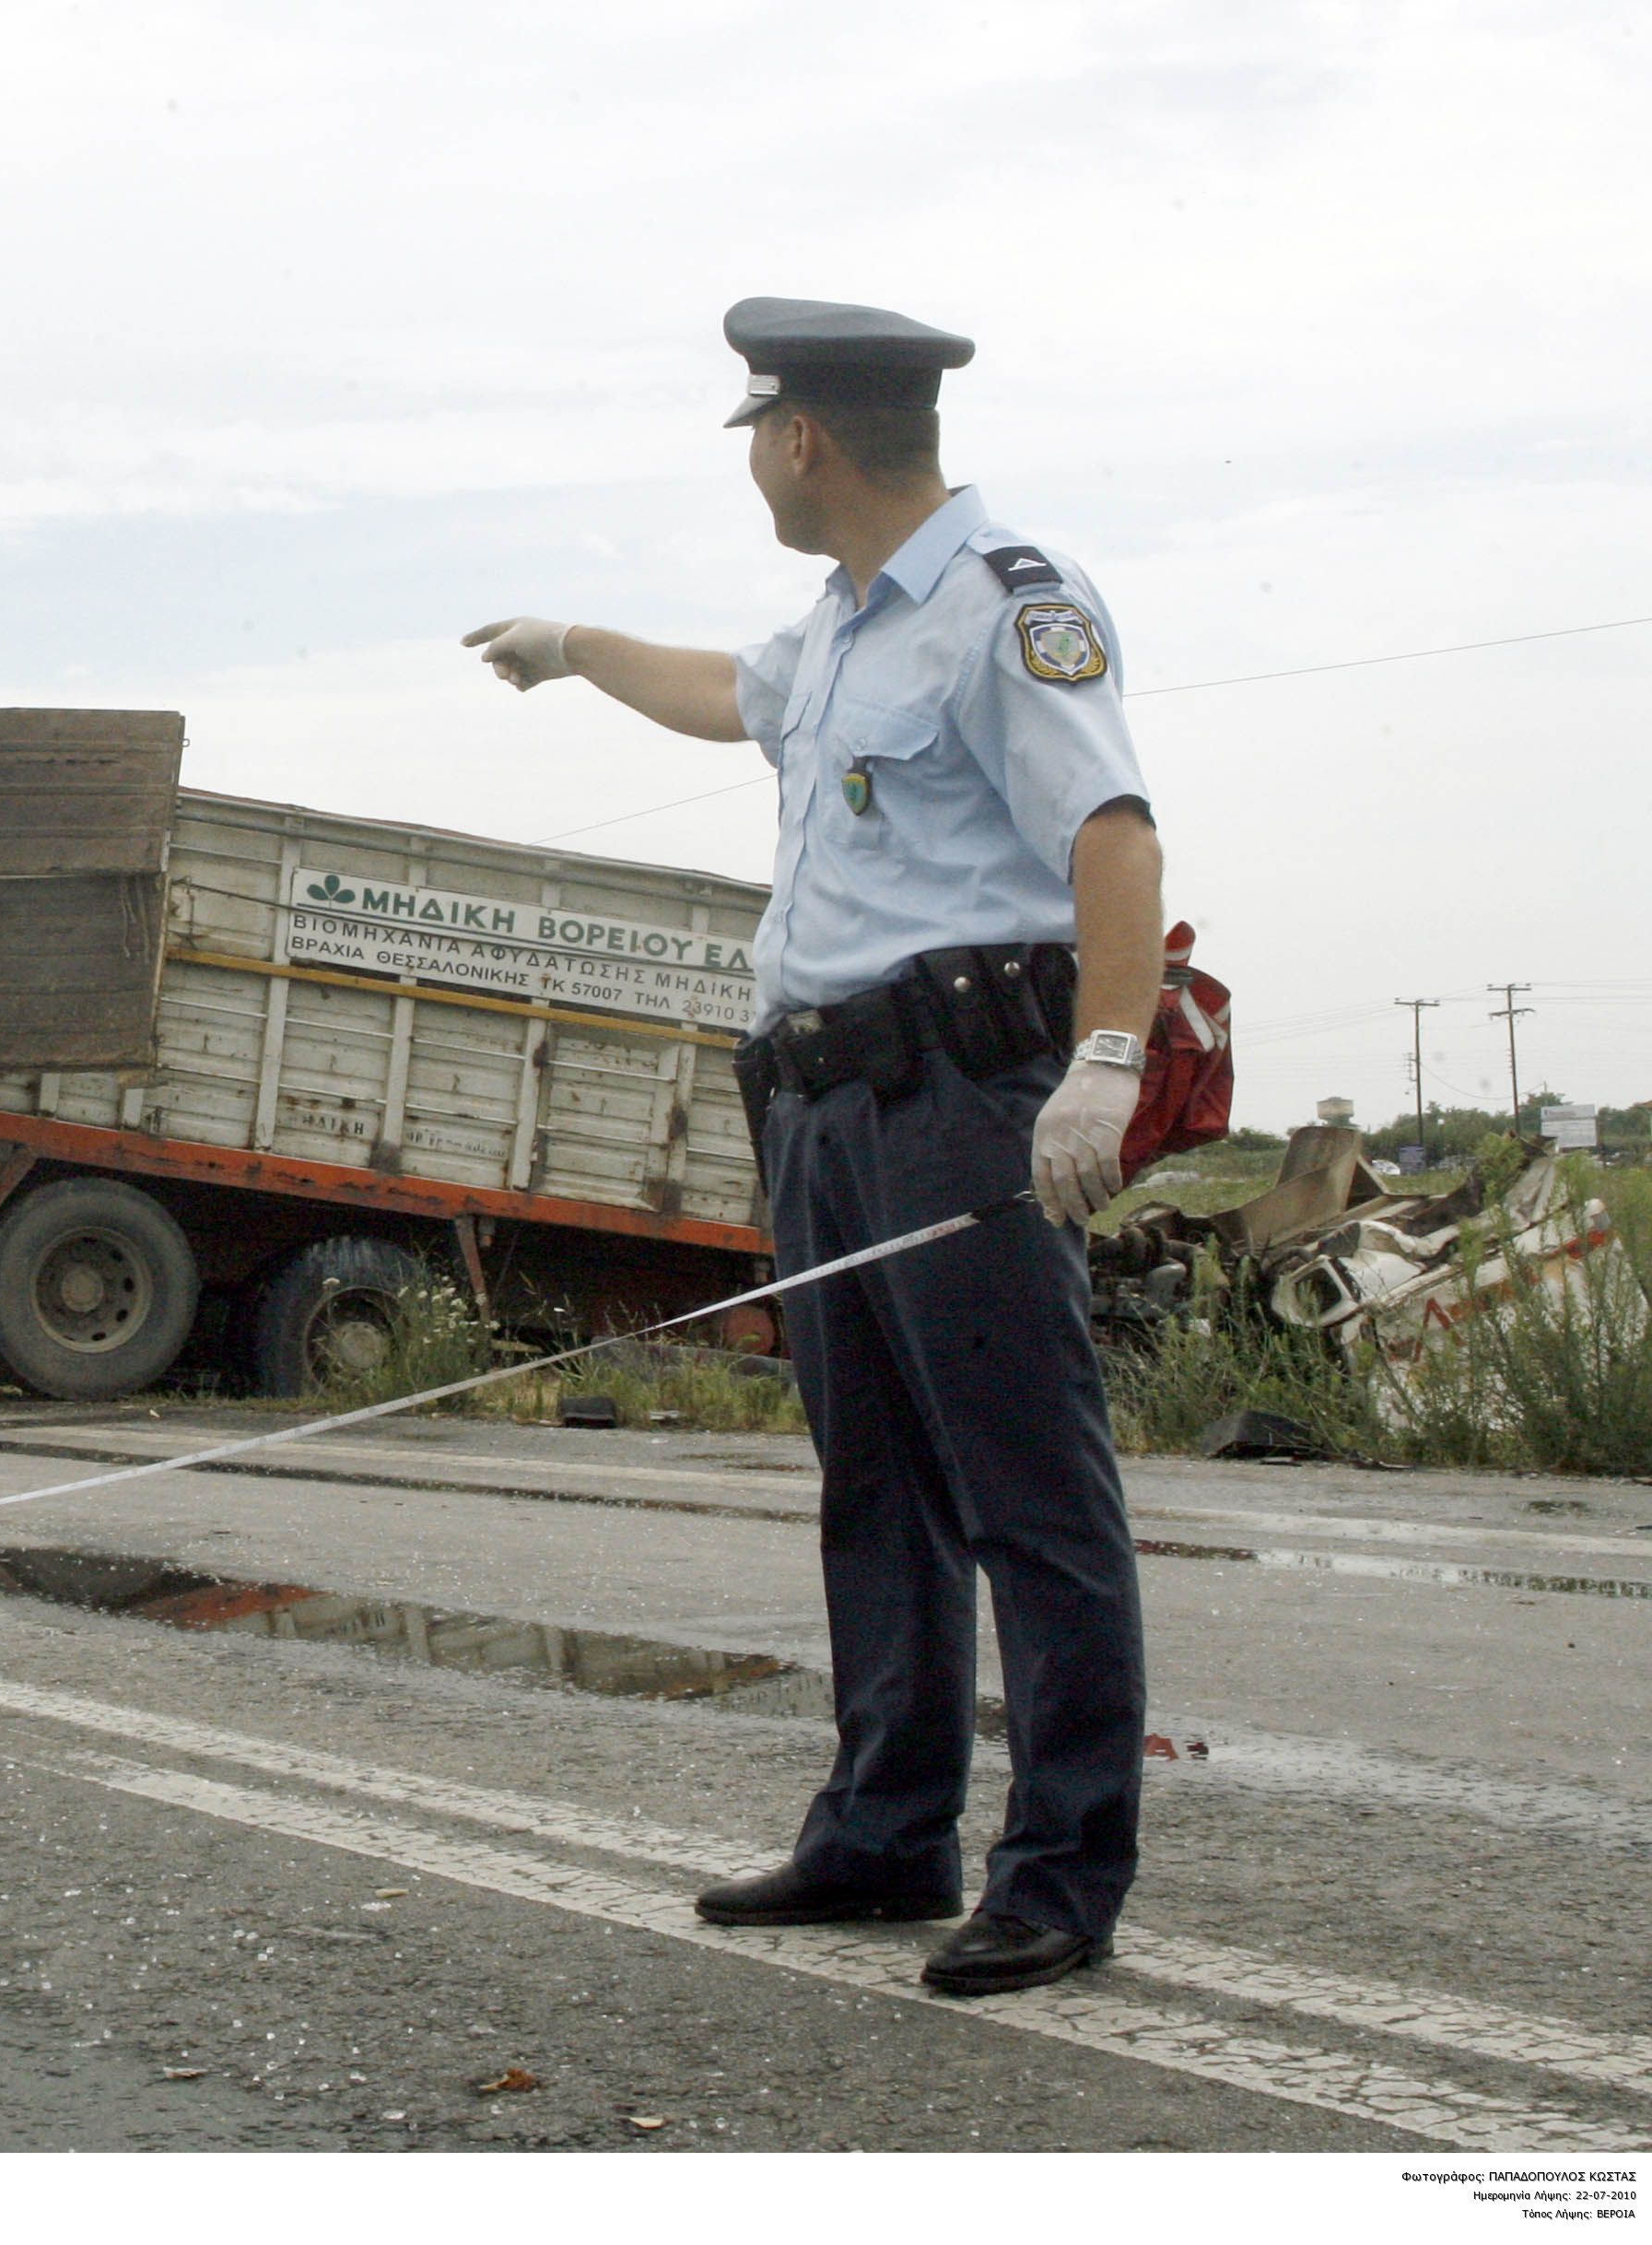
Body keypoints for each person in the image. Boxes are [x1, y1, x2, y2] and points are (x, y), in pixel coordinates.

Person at [463, 298, 1162, 1999]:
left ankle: (1059, 1871)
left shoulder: (1007, 608)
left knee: (1025, 1493)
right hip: (821, 1102)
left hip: (953, 1101)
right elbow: (726, 692)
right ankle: (882, 1834)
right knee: (874, 1486)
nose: (755, 471)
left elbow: (1111, 832)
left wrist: (1108, 1061)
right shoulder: (840, 624)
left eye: (755, 439)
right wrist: (572, 645)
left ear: (801, 442)